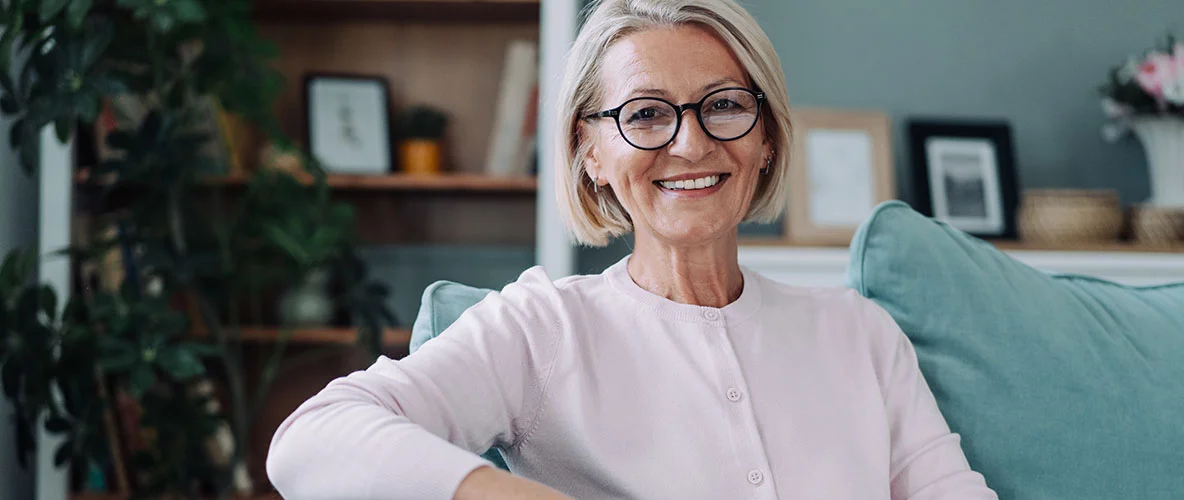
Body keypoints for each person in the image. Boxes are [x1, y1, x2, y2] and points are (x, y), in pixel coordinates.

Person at [266, 0, 999, 498]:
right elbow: (311, 441)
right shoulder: (541, 327)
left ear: (767, 135)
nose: (691, 143)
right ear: (589, 150)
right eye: (644, 114)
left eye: (725, 107)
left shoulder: (858, 332)